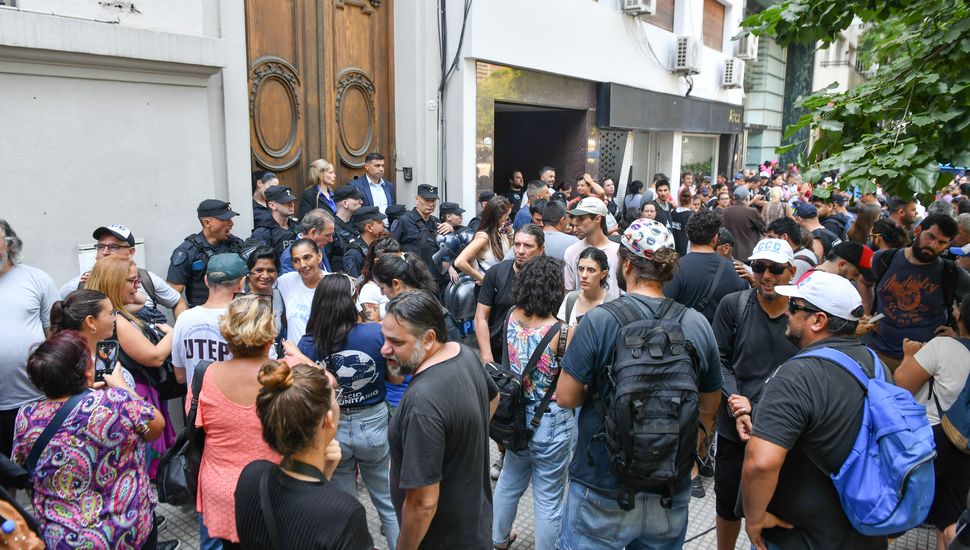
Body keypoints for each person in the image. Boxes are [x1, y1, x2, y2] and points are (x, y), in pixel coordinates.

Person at [555, 218, 722, 548]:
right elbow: (710, 405)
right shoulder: (697, 324)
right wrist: (691, 456)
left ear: (626, 263)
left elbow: (566, 397)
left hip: (603, 481)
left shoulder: (600, 321)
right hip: (670, 487)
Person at [742, 271, 886, 549]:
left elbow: (762, 462)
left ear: (818, 321)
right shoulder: (874, 363)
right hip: (864, 529)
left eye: (795, 307)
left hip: (801, 536)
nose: (787, 312)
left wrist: (754, 517)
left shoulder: (796, 376)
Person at [13, 330, 165, 549]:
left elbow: (22, 465)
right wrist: (121, 386)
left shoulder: (26, 416)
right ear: (86, 371)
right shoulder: (117, 401)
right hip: (126, 530)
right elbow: (155, 427)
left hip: (63, 536)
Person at [382, 290, 499, 549]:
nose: (384, 349)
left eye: (396, 342)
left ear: (429, 339)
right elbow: (494, 398)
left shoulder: (422, 402)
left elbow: (423, 502)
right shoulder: (464, 354)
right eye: (385, 338)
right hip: (476, 528)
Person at [295, 274, 401, 548]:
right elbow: (397, 380)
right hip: (373, 423)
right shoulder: (376, 333)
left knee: (346, 508)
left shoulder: (307, 343)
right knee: (388, 504)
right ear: (351, 301)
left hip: (332, 428)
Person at [710, 238, 799, 549]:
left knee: (773, 507)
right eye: (759, 267)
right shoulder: (734, 305)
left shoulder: (801, 317)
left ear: (792, 271)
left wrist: (756, 408)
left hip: (781, 432)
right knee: (727, 502)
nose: (766, 275)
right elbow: (719, 359)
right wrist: (737, 403)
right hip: (735, 426)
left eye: (775, 269)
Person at [235, 361, 372, 549]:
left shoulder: (251, 476)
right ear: (328, 419)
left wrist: (325, 474)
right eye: (335, 398)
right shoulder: (346, 513)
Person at [493, 256, 574, 550]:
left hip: (515, 414)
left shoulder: (512, 316)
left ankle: (497, 539)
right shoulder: (562, 333)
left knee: (509, 482)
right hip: (550, 420)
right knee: (549, 498)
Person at [194, 294, 283, 547]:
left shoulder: (206, 375)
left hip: (221, 489)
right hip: (273, 488)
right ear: (270, 336)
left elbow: (200, 427)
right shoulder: (286, 374)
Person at [86, 256, 176, 478]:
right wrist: (174, 332)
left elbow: (140, 301)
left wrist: (127, 287)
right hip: (135, 394)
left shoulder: (109, 313)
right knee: (137, 462)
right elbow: (154, 357)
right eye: (132, 281)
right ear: (114, 283)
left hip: (130, 390)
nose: (138, 285)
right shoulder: (116, 319)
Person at [895, 294, 970, 550]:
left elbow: (902, 386)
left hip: (931, 440)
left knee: (899, 508)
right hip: (965, 445)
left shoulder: (942, 347)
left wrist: (908, 355)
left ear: (958, 314)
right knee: (949, 522)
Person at [865, 214, 970, 371]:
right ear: (918, 231)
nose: (933, 245)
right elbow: (864, 281)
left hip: (923, 363)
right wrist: (867, 312)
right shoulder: (884, 258)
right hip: (878, 352)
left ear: (948, 245)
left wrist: (958, 334)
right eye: (930, 237)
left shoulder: (950, 272)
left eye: (942, 242)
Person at [0, 219, 58, 458]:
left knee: (41, 473)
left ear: (9, 245)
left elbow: (55, 337)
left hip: (37, 401)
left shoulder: (37, 279)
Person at [60, 224, 187, 321]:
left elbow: (177, 301)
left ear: (131, 252)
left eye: (113, 247)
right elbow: (56, 309)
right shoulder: (81, 283)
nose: (105, 252)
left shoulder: (147, 279)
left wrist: (182, 336)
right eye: (100, 247)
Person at [171, 254, 247, 389]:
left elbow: (180, 376)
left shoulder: (184, 318)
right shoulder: (246, 319)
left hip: (197, 406)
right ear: (241, 283)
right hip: (235, 405)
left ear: (206, 281)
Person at [476, 224, 546, 363]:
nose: (520, 251)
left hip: (535, 354)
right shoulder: (496, 273)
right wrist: (486, 355)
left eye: (527, 246)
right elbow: (481, 317)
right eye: (517, 244)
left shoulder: (548, 277)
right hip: (499, 351)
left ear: (540, 249)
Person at [664, 210, 748, 324]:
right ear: (715, 238)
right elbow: (742, 314)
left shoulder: (675, 268)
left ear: (688, 236)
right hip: (721, 340)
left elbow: (664, 308)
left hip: (683, 337)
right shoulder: (738, 271)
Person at [167, 199, 245, 307]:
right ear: (207, 222)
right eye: (225, 219)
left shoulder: (237, 245)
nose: (231, 223)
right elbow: (172, 296)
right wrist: (187, 320)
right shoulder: (187, 252)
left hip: (236, 313)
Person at [397, 184, 453, 291]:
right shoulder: (404, 221)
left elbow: (444, 250)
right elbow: (391, 248)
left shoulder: (436, 222)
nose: (431, 204)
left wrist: (449, 266)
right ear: (417, 199)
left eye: (433, 200)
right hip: (414, 281)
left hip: (435, 280)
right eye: (427, 200)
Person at [563, 198, 620, 300]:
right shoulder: (571, 251)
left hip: (613, 312)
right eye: (576, 217)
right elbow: (568, 291)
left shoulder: (618, 252)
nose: (576, 222)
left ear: (597, 218)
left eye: (582, 218)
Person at [277, 238, 328, 342]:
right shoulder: (286, 281)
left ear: (319, 256)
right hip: (294, 355)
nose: (302, 265)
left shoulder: (337, 283)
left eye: (307, 257)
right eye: (296, 260)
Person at [455, 195, 513, 283]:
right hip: (488, 288)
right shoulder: (483, 236)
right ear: (497, 217)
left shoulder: (500, 231)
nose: (507, 219)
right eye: (506, 216)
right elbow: (459, 262)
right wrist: (482, 278)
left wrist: (510, 234)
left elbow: (510, 254)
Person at [558, 247, 611, 327]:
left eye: (591, 270)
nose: (584, 275)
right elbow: (562, 335)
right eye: (581, 269)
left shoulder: (611, 304)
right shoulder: (571, 299)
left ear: (603, 274)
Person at [355, 236, 402, 323]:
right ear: (377, 261)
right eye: (392, 260)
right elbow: (372, 327)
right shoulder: (369, 289)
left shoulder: (406, 279)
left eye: (399, 259)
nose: (397, 264)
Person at [245, 246, 286, 339]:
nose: (265, 275)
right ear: (249, 272)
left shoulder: (278, 294)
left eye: (270, 270)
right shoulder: (239, 297)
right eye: (259, 270)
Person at [250, 185, 301, 259]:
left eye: (292, 201)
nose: (292, 204)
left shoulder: (297, 227)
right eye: (286, 202)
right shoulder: (263, 232)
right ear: (272, 205)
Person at [280, 209, 336, 274]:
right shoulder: (289, 257)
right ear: (313, 232)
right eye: (327, 235)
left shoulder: (319, 245)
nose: (331, 240)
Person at [722, 187, 766, 261]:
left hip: (728, 254)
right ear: (746, 199)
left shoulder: (724, 211)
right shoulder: (752, 212)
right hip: (747, 255)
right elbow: (764, 229)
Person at [344, 206, 388, 278]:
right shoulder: (354, 254)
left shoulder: (380, 246)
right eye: (379, 222)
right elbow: (354, 283)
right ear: (369, 227)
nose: (383, 225)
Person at [329, 185, 366, 272]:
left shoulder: (358, 222)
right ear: (345, 203)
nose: (361, 202)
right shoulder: (331, 228)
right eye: (357, 199)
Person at [809, 241, 874, 283]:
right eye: (856, 274)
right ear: (842, 265)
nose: (856, 280)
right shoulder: (823, 285)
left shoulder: (810, 275)